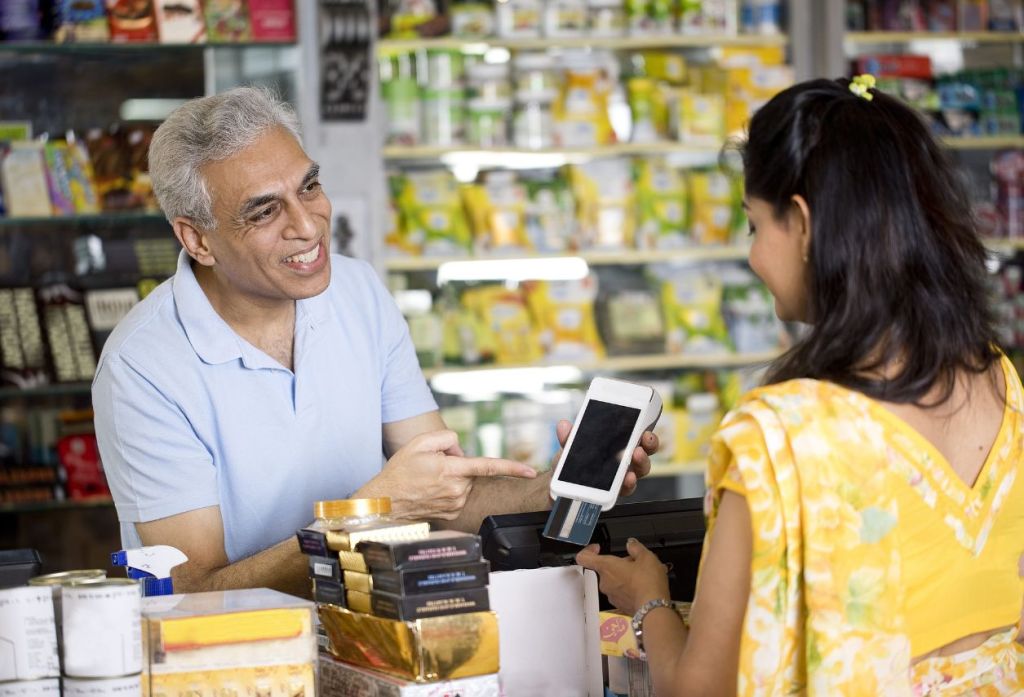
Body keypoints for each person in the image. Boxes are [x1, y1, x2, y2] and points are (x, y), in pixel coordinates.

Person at [92, 87, 657, 598]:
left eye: (309, 186)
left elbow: (445, 497)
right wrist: (372, 513)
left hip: (370, 635)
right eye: (265, 211)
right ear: (198, 240)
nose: (308, 225)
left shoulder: (356, 290)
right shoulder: (142, 366)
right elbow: (193, 590)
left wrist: (553, 487)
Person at [578, 76, 1024, 695]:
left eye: (757, 225)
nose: (756, 256)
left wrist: (649, 601)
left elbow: (702, 690)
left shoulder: (781, 435)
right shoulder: (998, 378)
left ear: (806, 226)